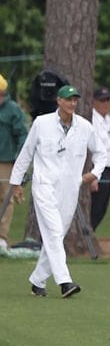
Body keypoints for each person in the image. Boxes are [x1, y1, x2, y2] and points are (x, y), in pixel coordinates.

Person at [9, 85, 107, 297]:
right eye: (68, 99)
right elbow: (26, 154)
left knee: (56, 235)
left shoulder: (84, 126)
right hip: (44, 185)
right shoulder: (41, 123)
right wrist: (16, 183)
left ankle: (37, 281)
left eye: (75, 100)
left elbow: (101, 152)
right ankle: (65, 282)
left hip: (70, 188)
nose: (72, 103)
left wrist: (96, 172)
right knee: (53, 232)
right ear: (59, 101)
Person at [0, 71, 28, 252]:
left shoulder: (12, 110)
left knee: (6, 199)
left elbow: (23, 135)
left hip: (6, 161)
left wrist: (20, 158)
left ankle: (1, 237)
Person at [89, 86, 110, 231]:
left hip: (107, 168)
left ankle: (90, 232)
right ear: (94, 102)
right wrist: (93, 174)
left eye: (108, 100)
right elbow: (91, 148)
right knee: (96, 205)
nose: (106, 103)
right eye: (102, 100)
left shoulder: (108, 120)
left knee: (103, 206)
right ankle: (87, 233)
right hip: (97, 169)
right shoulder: (93, 120)